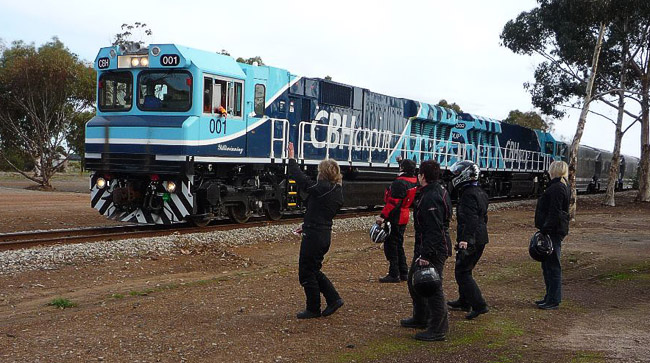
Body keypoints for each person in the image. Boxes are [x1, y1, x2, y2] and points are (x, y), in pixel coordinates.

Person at [287, 142, 345, 319]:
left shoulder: (321, 189)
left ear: (324, 173)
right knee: (313, 269)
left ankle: (314, 308)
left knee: (306, 271)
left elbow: (302, 180)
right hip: (322, 232)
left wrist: (291, 159)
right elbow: (320, 211)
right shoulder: (336, 191)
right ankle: (333, 299)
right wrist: (306, 224)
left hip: (315, 236)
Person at [400, 160, 452, 342]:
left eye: (419, 173)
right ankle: (421, 317)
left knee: (432, 285)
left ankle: (438, 328)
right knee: (414, 280)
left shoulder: (431, 197)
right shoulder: (436, 192)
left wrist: (426, 255)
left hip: (433, 249)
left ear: (422, 176)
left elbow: (434, 229)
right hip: (428, 246)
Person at [447, 161, 490, 320]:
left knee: (462, 272)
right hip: (479, 237)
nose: (454, 176)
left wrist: (465, 239)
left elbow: (471, 219)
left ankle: (479, 305)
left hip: (472, 239)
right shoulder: (479, 192)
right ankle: (464, 300)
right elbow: (482, 217)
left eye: (457, 173)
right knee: (466, 269)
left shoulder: (467, 195)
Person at [534, 160, 570, 310]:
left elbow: (554, 211)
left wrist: (545, 229)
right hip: (554, 229)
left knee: (553, 265)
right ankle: (549, 296)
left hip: (552, 231)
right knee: (548, 264)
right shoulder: (562, 186)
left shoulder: (556, 188)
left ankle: (553, 299)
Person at [376, 158, 418, 283]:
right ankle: (403, 272)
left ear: (402, 169)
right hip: (404, 215)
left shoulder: (400, 183)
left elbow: (393, 202)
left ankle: (394, 273)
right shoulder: (414, 181)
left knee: (391, 245)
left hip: (396, 216)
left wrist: (382, 216)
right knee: (399, 244)